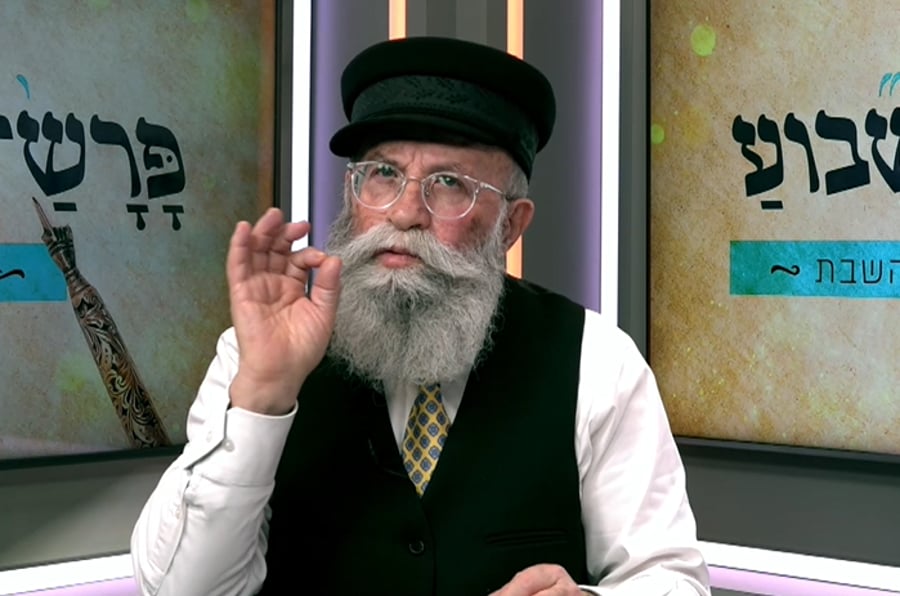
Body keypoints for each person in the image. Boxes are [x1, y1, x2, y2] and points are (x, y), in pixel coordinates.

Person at [130, 36, 711, 596]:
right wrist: (262, 397)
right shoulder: (254, 355)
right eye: (383, 173)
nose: (405, 212)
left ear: (511, 225)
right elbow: (180, 589)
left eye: (449, 183)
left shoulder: (596, 362)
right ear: (352, 191)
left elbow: (671, 578)